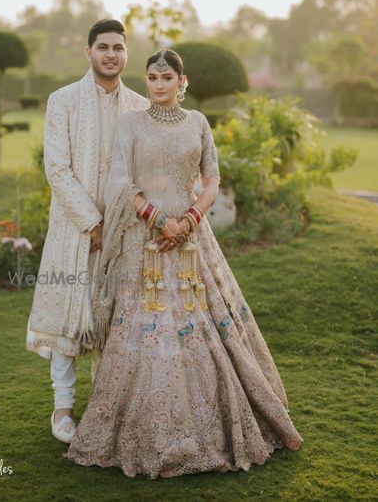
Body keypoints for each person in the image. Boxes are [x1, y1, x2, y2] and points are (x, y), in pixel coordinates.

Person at [64, 48, 303, 478]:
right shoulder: (132, 124)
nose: (157, 85)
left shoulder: (197, 123)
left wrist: (189, 220)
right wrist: (155, 219)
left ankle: (213, 423)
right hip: (146, 242)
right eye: (152, 78)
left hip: (192, 241)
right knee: (146, 325)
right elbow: (119, 179)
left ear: (182, 81)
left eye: (165, 78)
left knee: (206, 321)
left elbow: (212, 179)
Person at [25, 19, 148, 443]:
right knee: (69, 316)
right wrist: (92, 222)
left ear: (126, 53)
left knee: (115, 317)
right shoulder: (63, 102)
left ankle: (106, 404)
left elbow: (141, 170)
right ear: (88, 51)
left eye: (118, 47)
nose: (110, 54)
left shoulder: (138, 106)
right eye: (103, 47)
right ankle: (62, 408)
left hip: (124, 232)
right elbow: (56, 169)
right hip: (73, 229)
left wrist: (115, 223)